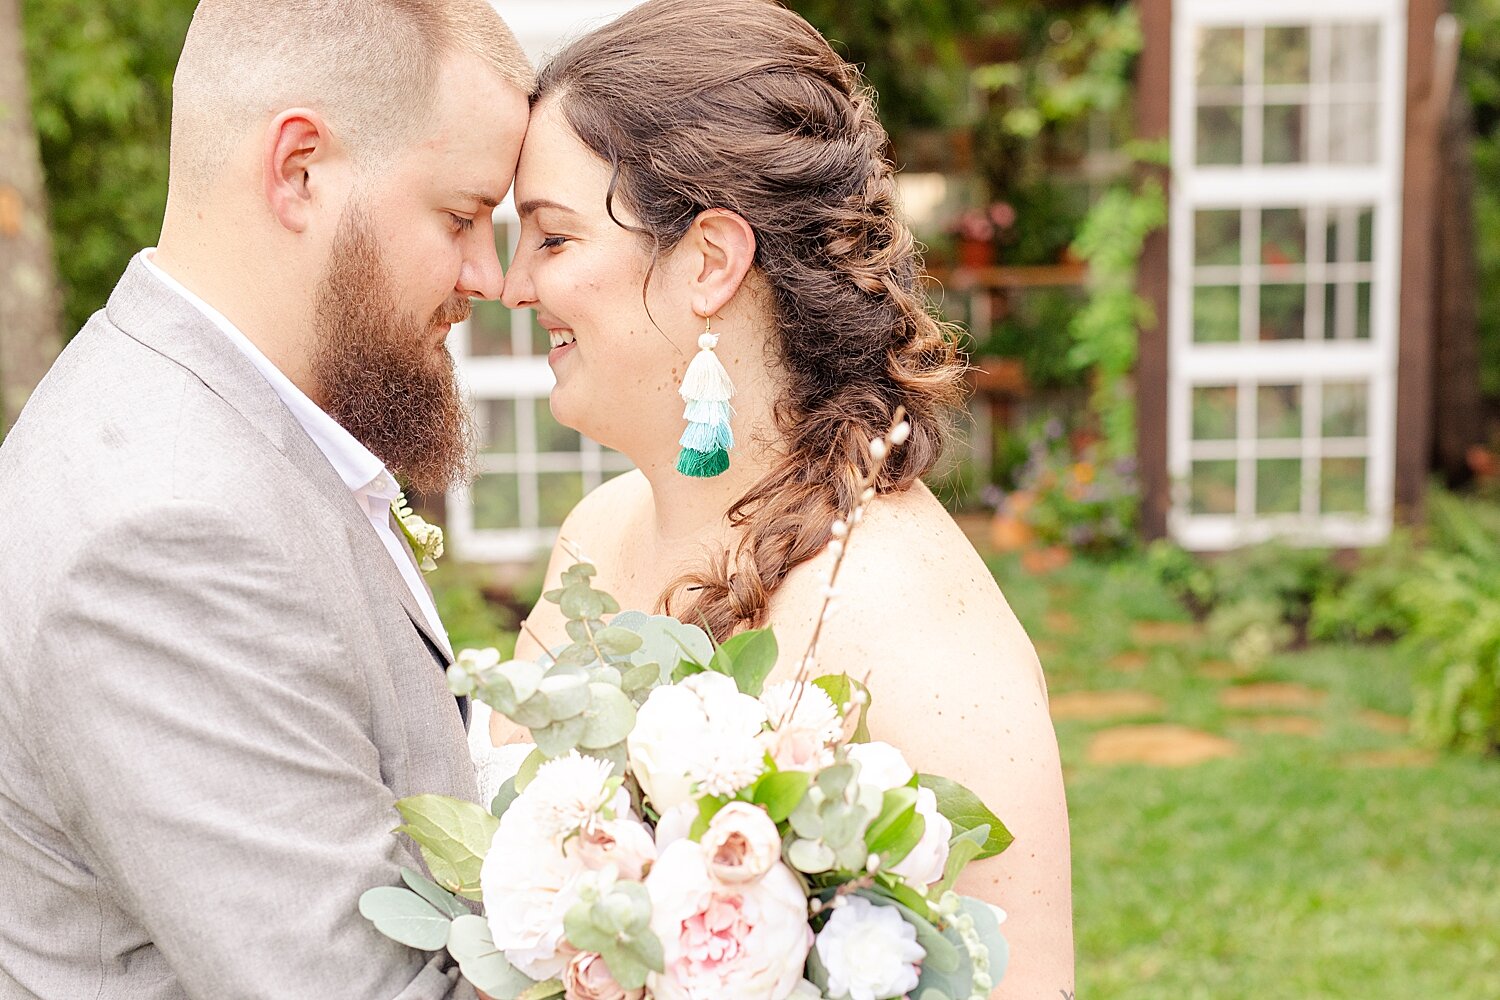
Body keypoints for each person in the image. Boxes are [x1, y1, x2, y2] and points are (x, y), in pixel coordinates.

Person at [487, 0, 1076, 994]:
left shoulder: (909, 625)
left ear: (710, 260)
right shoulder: (593, 540)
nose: (510, 287)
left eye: (551, 239)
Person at [0, 1, 530, 997]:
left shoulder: (227, 432)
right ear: (300, 169)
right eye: (460, 217)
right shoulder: (160, 532)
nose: (487, 277)